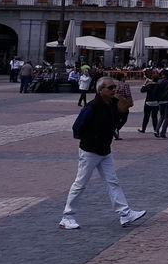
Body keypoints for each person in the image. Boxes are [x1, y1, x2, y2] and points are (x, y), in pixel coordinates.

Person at [59, 77, 146, 230]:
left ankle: (125, 214)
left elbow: (127, 106)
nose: (114, 90)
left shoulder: (112, 104)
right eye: (110, 88)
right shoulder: (91, 107)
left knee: (113, 181)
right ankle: (67, 216)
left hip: (105, 150)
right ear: (100, 90)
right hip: (90, 151)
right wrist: (92, 138)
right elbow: (77, 128)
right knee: (80, 183)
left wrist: (120, 97)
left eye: (115, 87)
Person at [137, 69, 160, 134]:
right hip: (156, 103)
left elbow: (142, 90)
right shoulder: (159, 85)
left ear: (152, 79)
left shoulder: (149, 85)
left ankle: (143, 129)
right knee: (154, 117)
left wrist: (145, 84)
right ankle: (156, 130)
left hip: (148, 102)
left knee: (146, 116)